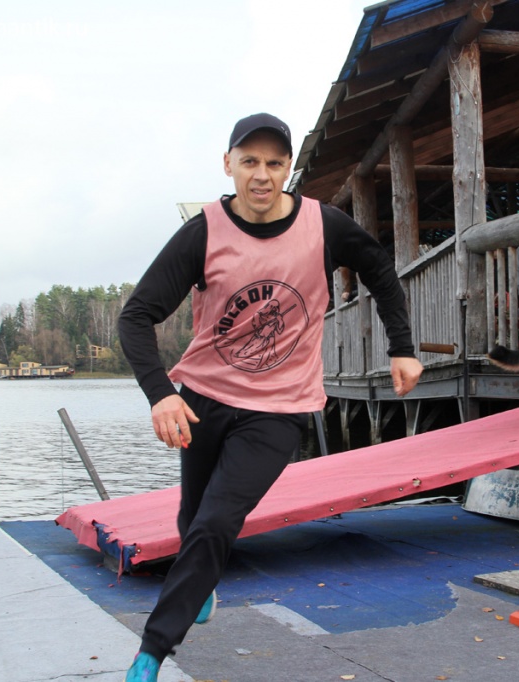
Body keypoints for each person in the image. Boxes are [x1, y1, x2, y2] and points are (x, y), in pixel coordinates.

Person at [117, 112, 423, 681]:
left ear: (288, 169)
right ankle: (200, 583)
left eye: (275, 163)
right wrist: (160, 394)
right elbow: (136, 316)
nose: (262, 175)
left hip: (280, 408)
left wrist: (401, 347)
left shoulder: (322, 225)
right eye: (250, 161)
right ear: (228, 164)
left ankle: (150, 654)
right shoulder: (205, 232)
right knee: (193, 518)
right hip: (203, 399)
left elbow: (379, 268)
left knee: (215, 523)